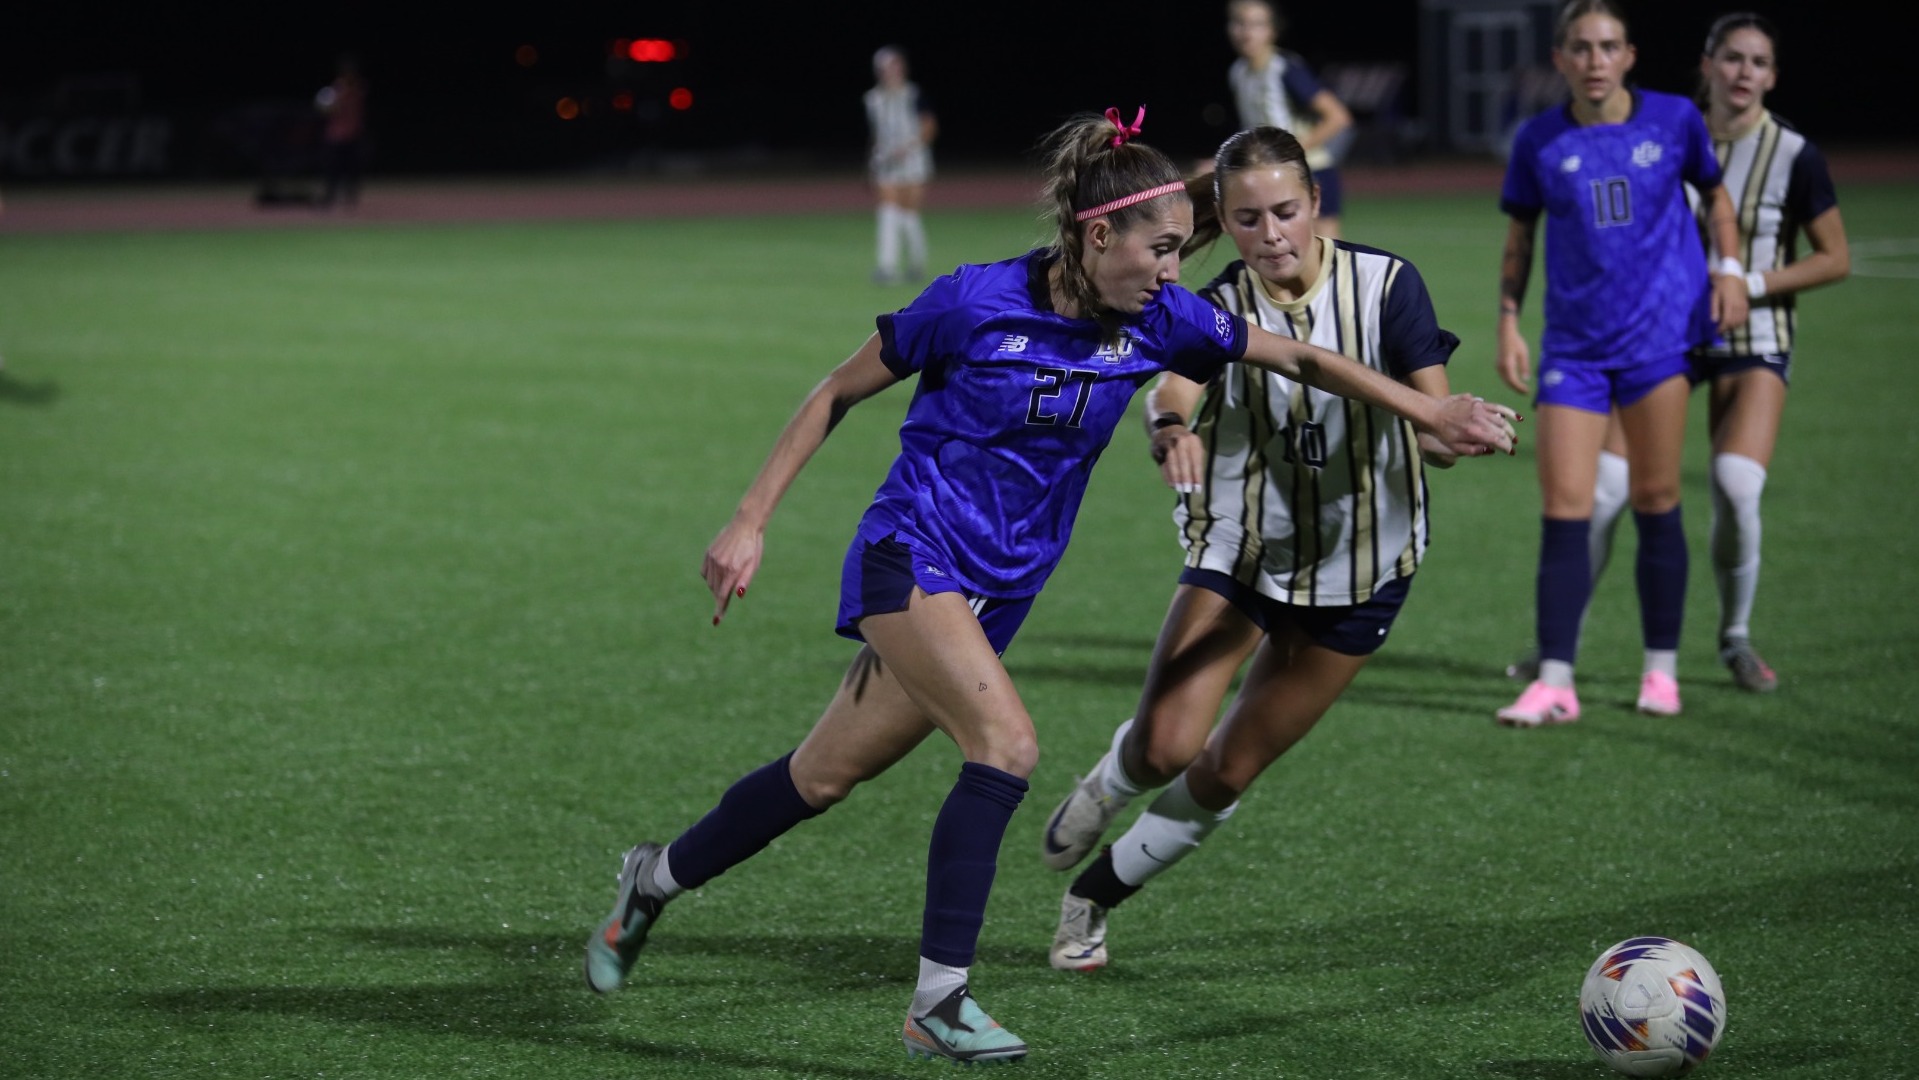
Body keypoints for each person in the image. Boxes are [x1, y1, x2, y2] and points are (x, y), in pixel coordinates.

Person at [580, 107, 1517, 1065]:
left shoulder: (1161, 319)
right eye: (1156, 249)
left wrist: (1432, 409)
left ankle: (653, 878)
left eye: (1176, 253)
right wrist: (749, 519)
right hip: (912, 553)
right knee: (1006, 747)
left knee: (820, 776)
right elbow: (835, 391)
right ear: (1093, 233)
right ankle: (938, 1001)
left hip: (1003, 586)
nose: (1170, 269)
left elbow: (1307, 359)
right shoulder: (973, 303)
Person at [1038, 124, 1500, 971]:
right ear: (1226, 220)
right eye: (1246, 219)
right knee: (1166, 747)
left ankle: (1092, 898)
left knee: (1224, 770)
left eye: (1285, 211)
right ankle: (1112, 777)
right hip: (1242, 548)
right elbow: (1171, 389)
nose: (1270, 235)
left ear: (1316, 203)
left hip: (1362, 567)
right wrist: (1170, 426)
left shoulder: (1388, 285)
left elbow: (1431, 420)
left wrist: (1451, 435)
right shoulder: (1215, 307)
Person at [1509, 12, 1849, 694]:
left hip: (1747, 334)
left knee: (1733, 485)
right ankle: (1556, 652)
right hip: (1661, 332)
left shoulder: (1790, 153)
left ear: (1772, 77)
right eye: (1730, 59)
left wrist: (1740, 279)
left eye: (1757, 63)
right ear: (1706, 64)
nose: (1742, 73)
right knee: (1602, 494)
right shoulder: (1665, 124)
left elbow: (1834, 256)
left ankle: (1733, 638)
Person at [1491, 0, 1749, 727]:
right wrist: (1508, 321)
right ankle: (1555, 681)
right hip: (1572, 350)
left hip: (1657, 342)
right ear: (1560, 60)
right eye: (1580, 47)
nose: (1595, 59)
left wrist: (1728, 269)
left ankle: (1659, 671)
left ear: (1629, 55)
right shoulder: (1537, 139)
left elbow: (1716, 198)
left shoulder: (1673, 121)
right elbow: (1519, 241)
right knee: (1564, 510)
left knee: (1655, 499)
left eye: (1607, 46)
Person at [1223, 0, 1354, 238]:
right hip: (1271, 176)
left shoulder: (1285, 69)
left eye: (1256, 24)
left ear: (1272, 31)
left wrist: (1288, 150)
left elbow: (1338, 117)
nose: (1246, 31)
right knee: (1278, 258)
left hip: (1311, 171)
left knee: (1326, 257)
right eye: (1239, 23)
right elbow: (1252, 132)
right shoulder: (1238, 73)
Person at [863, 45, 936, 285]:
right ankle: (887, 266)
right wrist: (872, 163)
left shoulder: (913, 94)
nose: (890, 72)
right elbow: (875, 133)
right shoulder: (872, 99)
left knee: (909, 214)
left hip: (913, 161)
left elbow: (929, 126)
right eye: (885, 68)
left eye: (894, 66)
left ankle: (916, 263)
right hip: (885, 162)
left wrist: (909, 148)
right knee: (888, 211)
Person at [315, 54, 368, 209]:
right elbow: (326, 109)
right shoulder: (334, 90)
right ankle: (329, 197)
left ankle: (350, 199)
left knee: (353, 169)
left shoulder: (358, 88)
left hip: (354, 135)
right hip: (336, 136)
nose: (349, 75)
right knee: (332, 169)